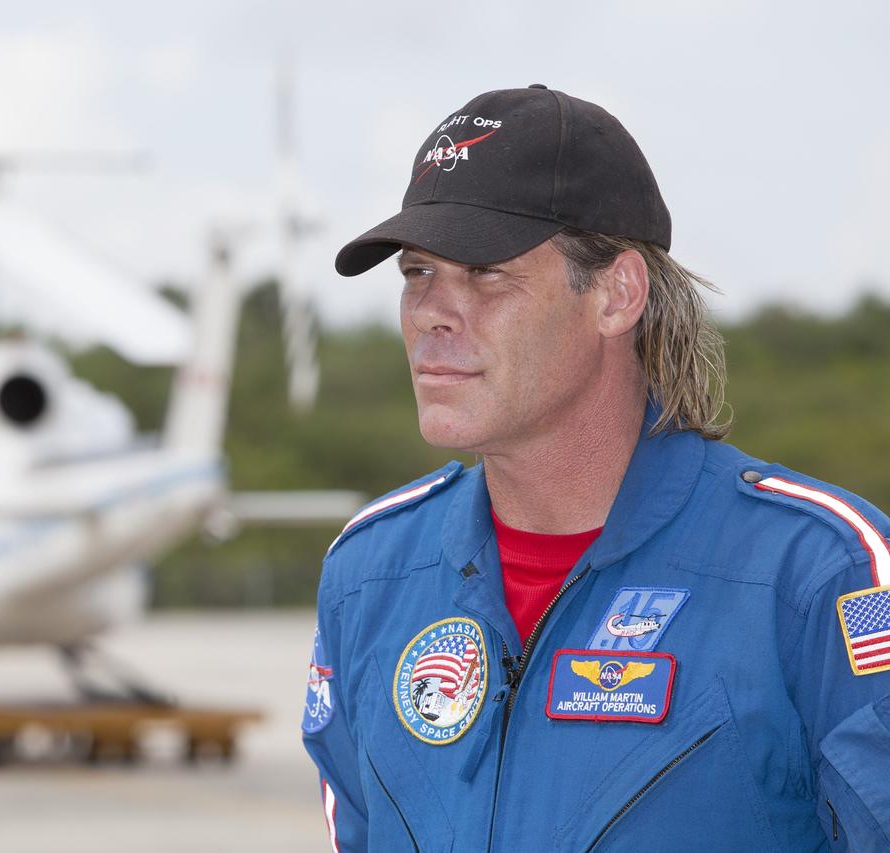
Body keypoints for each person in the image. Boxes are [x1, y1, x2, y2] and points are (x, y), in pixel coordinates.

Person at [300, 84, 890, 851]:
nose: (431, 313)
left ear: (617, 293)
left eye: (484, 272)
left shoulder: (822, 572)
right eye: (417, 273)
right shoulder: (369, 574)